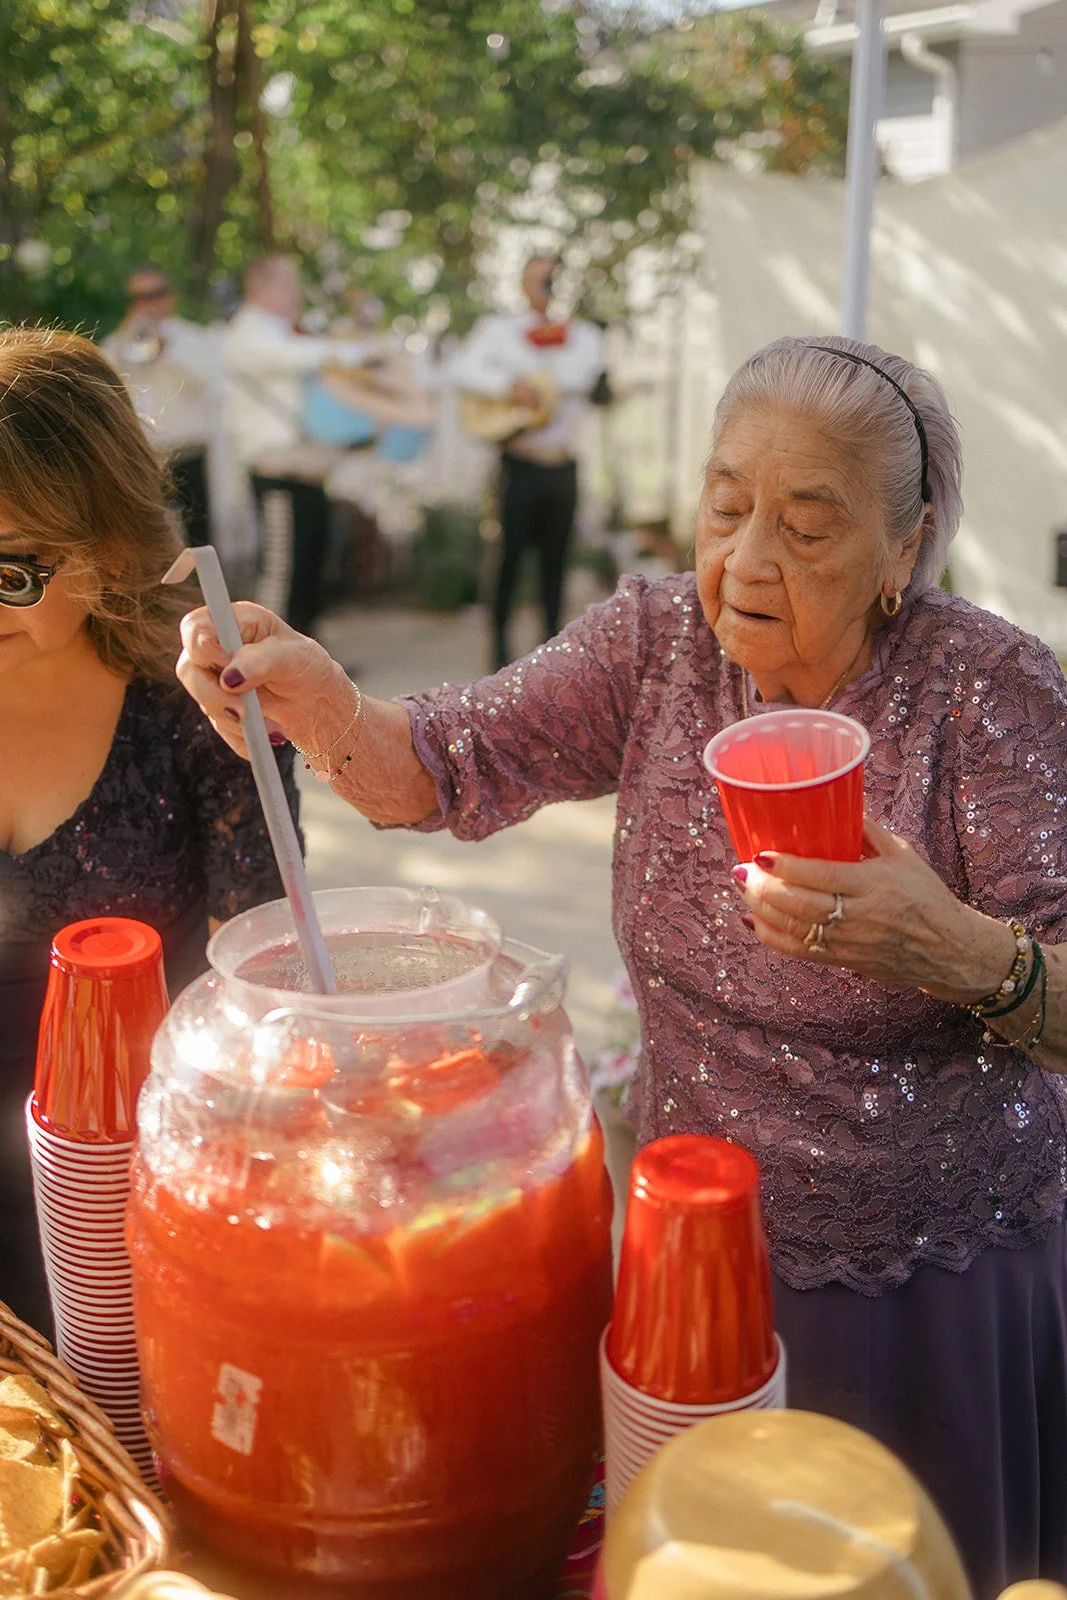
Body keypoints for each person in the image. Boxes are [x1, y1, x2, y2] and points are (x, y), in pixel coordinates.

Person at [177, 332, 1067, 1595]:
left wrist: (963, 951)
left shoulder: (985, 691)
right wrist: (321, 708)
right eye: (724, 506)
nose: (746, 561)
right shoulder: (659, 646)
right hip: (692, 1274)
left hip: (929, 1288)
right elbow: (441, 758)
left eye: (807, 530)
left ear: (903, 548)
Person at [0, 327, 300, 1338]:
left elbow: (268, 992)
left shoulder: (201, 716)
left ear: (112, 540)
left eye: (15, 570)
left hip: (130, 1209)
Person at [451, 255, 606, 670]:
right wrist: (509, 386)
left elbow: (583, 376)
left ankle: (549, 661)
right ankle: (497, 658)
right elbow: (462, 368)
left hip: (561, 467)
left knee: (556, 565)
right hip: (518, 464)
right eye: (537, 277)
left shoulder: (585, 336)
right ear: (523, 282)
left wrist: (542, 382)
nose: (545, 284)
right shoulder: (498, 331)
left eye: (552, 277)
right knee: (507, 561)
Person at [223, 254, 382, 637]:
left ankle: (308, 660)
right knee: (281, 574)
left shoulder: (286, 329)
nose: (296, 293)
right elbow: (305, 356)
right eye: (287, 284)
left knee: (309, 570)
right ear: (259, 288)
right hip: (278, 471)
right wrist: (360, 353)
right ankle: (263, 664)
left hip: (307, 470)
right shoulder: (248, 333)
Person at [101, 266, 219, 547]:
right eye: (138, 297)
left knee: (198, 537)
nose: (148, 303)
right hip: (146, 455)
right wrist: (124, 338)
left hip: (189, 453)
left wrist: (169, 349)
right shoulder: (119, 342)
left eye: (156, 294)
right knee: (152, 538)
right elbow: (104, 381)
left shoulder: (192, 337)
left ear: (170, 298)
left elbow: (209, 380)